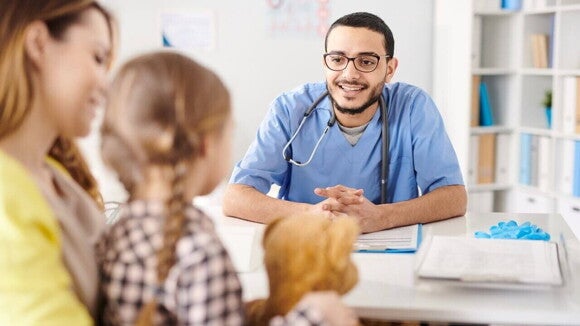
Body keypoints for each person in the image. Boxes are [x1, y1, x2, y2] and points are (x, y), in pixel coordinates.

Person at [98, 51, 358, 326]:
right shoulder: (200, 253)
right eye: (229, 131)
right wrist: (315, 315)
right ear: (205, 146)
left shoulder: (116, 230)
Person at [223, 12, 467, 233]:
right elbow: (236, 197)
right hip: (304, 247)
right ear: (325, 63)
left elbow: (454, 197)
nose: (350, 74)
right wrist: (312, 214)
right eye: (338, 59)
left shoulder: (414, 107)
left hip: (391, 250)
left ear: (390, 69)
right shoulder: (289, 109)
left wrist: (380, 217)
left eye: (367, 61)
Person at [0, 0, 114, 324]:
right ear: (38, 44)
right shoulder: (6, 197)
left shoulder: (52, 174)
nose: (105, 84)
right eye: (97, 58)